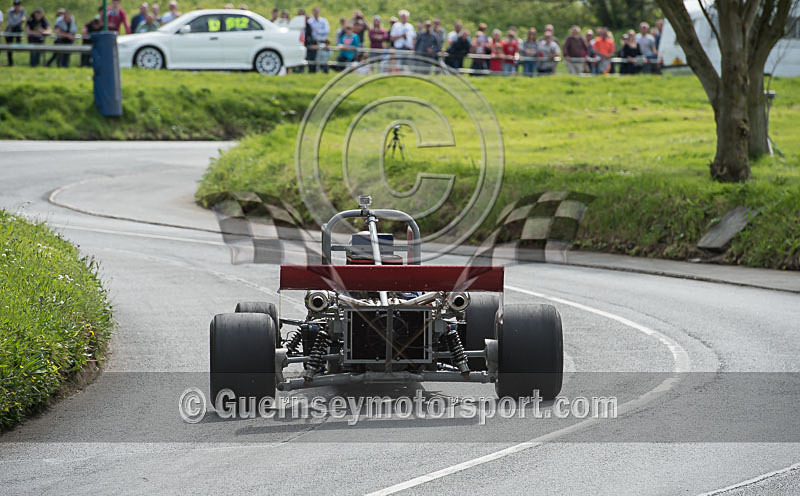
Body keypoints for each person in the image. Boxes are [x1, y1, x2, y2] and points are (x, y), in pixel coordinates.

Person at [5, 0, 27, 66]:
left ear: (20, 6)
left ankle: (18, 41)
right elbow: (11, 22)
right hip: (10, 30)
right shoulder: (10, 12)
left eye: (18, 5)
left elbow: (23, 18)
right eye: (15, 5)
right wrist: (20, 21)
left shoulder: (23, 11)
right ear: (13, 6)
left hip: (17, 29)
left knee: (19, 28)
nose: (17, 7)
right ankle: (10, 63)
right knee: (9, 48)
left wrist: (22, 20)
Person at [308, 7, 329, 72]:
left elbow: (327, 31)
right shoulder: (310, 21)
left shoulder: (324, 21)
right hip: (313, 41)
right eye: (315, 11)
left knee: (323, 57)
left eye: (317, 11)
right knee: (312, 57)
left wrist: (317, 31)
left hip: (322, 41)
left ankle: (325, 71)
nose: (316, 13)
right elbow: (309, 32)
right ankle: (312, 72)